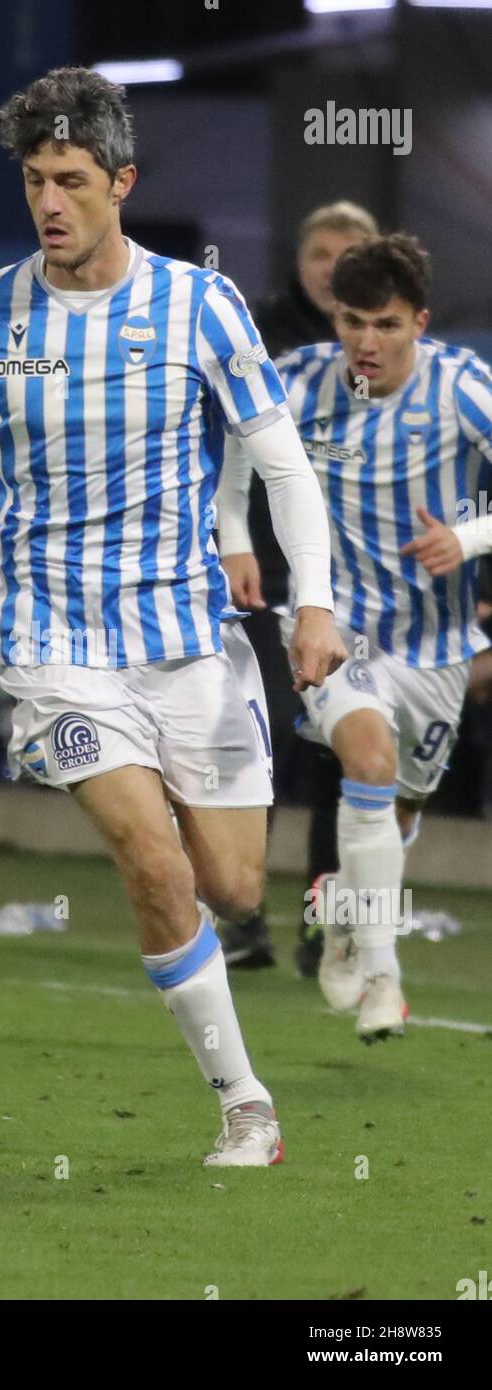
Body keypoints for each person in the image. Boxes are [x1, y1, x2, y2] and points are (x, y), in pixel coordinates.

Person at [0, 67, 344, 1166]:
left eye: (74, 181)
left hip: (191, 641)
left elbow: (282, 461)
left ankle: (218, 949)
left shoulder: (199, 305)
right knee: (152, 859)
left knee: (232, 885)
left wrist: (314, 604)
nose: (50, 202)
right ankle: (245, 1103)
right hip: (54, 648)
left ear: (121, 181)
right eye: (37, 179)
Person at [217, 234, 492, 1042]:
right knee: (366, 763)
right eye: (351, 323)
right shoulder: (297, 382)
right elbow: (236, 466)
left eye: (387, 325)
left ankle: (343, 916)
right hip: (334, 626)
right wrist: (235, 538)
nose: (367, 343)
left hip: (436, 646)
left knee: (399, 814)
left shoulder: (462, 390)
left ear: (420, 323)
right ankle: (383, 978)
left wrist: (468, 541)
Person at [223, 201, 379, 973]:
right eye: (320, 250)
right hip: (263, 580)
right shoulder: (256, 335)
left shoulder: (388, 346)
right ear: (301, 260)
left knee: (343, 760)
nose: (331, 264)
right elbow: (223, 445)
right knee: (265, 741)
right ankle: (241, 914)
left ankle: (326, 925)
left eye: (349, 250)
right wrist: (233, 539)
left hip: (356, 587)